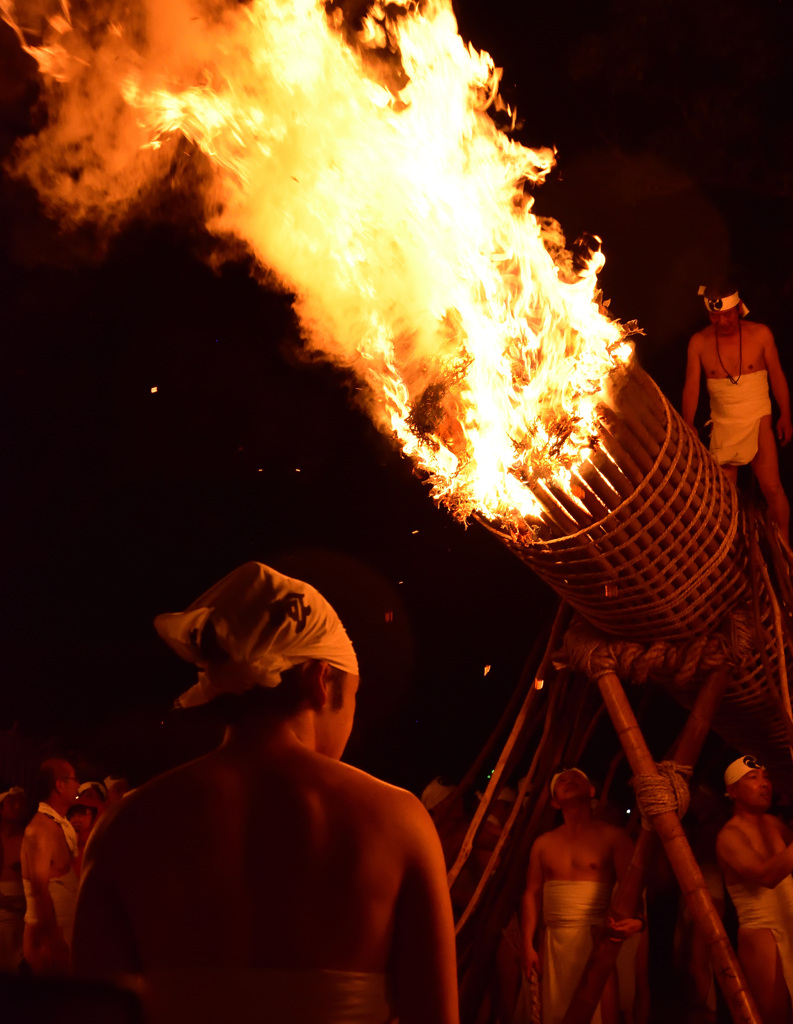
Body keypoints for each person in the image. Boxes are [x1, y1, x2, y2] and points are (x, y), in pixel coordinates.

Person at [72, 561, 458, 1024]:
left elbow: (93, 1011)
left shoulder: (125, 826)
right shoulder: (399, 821)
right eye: (353, 696)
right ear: (321, 681)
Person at [521, 767, 644, 1024]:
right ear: (555, 802)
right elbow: (532, 893)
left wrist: (638, 920)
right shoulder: (543, 843)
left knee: (601, 1012)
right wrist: (528, 944)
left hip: (596, 937)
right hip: (554, 940)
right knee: (555, 1013)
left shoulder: (613, 837)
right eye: (561, 781)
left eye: (576, 777)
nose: (568, 780)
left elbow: (631, 887)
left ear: (591, 791)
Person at [682, 281, 792, 542]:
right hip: (723, 421)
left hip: (758, 417)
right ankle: (728, 550)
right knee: (723, 494)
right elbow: (691, 386)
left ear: (739, 308)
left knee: (771, 486)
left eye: (727, 315)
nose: (721, 322)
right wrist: (688, 422)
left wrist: (786, 414)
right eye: (715, 316)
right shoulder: (699, 342)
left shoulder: (761, 334)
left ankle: (785, 545)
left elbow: (776, 375)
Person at [716, 754, 793, 1024]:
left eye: (766, 776)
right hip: (762, 932)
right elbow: (766, 875)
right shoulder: (730, 835)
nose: (764, 783)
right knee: (775, 1016)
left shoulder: (775, 825)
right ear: (732, 790)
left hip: (790, 917)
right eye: (753, 777)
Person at [20, 759, 80, 974]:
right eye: (74, 779)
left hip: (63, 933)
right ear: (59, 784)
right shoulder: (40, 830)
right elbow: (39, 889)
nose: (78, 785)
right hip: (47, 940)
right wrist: (53, 940)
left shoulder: (56, 825)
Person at [0, 786, 26, 972]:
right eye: (12, 802)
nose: (18, 806)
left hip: (18, 913)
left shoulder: (28, 837)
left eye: (21, 802)